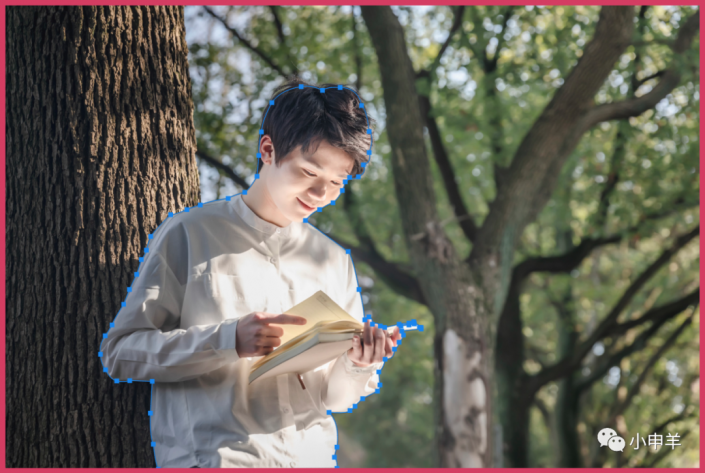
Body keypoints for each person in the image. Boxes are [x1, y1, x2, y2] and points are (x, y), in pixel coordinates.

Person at [100, 78, 402, 468]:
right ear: (268, 150)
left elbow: (334, 398)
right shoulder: (190, 233)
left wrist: (359, 363)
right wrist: (228, 340)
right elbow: (121, 353)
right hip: (216, 459)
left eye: (334, 183)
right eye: (309, 173)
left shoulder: (332, 260)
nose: (319, 195)